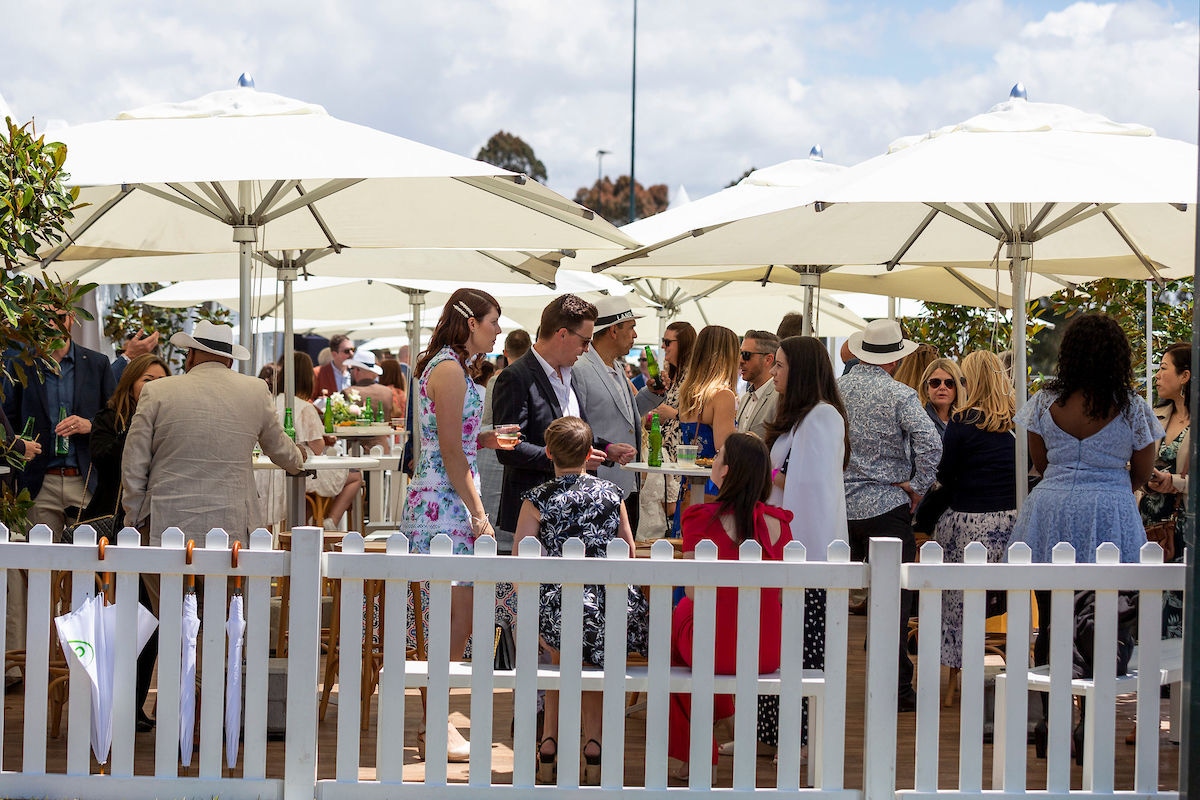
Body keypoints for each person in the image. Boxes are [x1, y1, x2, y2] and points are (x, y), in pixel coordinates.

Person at [1010, 313, 1161, 755]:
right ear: (1119, 356)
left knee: (1051, 617)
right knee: (1108, 621)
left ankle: (1051, 721)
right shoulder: (1133, 407)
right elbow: (1142, 473)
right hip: (1109, 513)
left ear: (1069, 353)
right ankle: (1090, 722)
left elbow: (1040, 462)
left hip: (1051, 511)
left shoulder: (1043, 402)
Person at [398, 288, 515, 762]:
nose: (499, 329)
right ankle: (435, 726)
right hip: (444, 505)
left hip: (445, 498)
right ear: (470, 322)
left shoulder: (449, 366)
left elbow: (451, 441)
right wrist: (479, 514)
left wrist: (483, 437)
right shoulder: (447, 369)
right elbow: (447, 451)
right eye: (493, 321)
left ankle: (436, 723)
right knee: (452, 620)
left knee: (455, 621)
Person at [514, 416, 648, 785]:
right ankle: (593, 744)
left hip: (556, 606)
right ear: (591, 453)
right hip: (606, 606)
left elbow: (522, 558)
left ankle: (549, 742)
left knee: (563, 658)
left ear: (549, 453)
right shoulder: (611, 494)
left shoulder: (537, 498)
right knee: (590, 664)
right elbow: (629, 551)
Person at [667, 432, 793, 776]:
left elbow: (693, 590)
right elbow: (780, 594)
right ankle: (722, 719)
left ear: (725, 471)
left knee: (677, 625)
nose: (715, 458)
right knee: (686, 622)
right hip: (766, 651)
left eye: (718, 454)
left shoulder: (699, 518)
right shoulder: (780, 525)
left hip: (714, 650)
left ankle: (694, 756)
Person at [122, 320, 309, 547]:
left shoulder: (157, 391)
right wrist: (298, 457)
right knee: (228, 582)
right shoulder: (256, 390)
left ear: (190, 355)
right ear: (229, 361)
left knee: (168, 582)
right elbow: (279, 448)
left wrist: (133, 517)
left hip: (165, 520)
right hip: (232, 522)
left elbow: (134, 460)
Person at [3, 308, 116, 680]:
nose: (51, 322)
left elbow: (114, 418)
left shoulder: (96, 364)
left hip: (86, 481)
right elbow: (9, 420)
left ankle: (85, 660)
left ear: (72, 319)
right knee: (39, 576)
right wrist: (18, 445)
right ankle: (29, 666)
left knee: (89, 574)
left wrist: (88, 424)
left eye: (58, 315)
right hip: (41, 482)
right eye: (43, 315)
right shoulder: (21, 365)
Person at [838, 318, 941, 713]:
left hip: (840, 505)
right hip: (887, 505)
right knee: (894, 602)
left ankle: (821, 674)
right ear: (895, 361)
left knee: (827, 594)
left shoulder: (836, 389)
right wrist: (918, 485)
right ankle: (896, 688)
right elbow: (931, 444)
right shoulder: (900, 395)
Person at [757, 335, 849, 754]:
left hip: (804, 552)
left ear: (801, 371)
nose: (773, 372)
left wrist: (757, 474)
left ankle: (797, 739)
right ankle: (772, 734)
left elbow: (812, 490)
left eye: (779, 365)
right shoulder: (800, 417)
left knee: (801, 650)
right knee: (777, 646)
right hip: (785, 550)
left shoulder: (822, 417)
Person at [492, 295, 636, 540]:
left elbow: (570, 434)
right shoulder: (515, 377)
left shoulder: (570, 373)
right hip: (535, 513)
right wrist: (570, 462)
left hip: (577, 509)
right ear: (562, 334)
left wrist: (606, 448)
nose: (587, 349)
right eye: (584, 341)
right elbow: (507, 449)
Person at [80, 352, 170, 732]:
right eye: (146, 379)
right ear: (132, 380)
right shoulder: (108, 418)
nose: (152, 386)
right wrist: (138, 427)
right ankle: (105, 704)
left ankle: (133, 705)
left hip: (149, 529)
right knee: (110, 621)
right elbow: (103, 456)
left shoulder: (168, 419)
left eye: (160, 381)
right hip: (110, 529)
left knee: (148, 620)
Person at [931, 350, 1017, 688]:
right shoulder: (1017, 422)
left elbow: (946, 476)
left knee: (958, 601)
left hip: (969, 523)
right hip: (1011, 525)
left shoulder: (962, 422)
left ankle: (959, 668)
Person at [572, 296, 664, 533]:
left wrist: (651, 394)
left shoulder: (615, 366)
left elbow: (626, 415)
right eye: (631, 327)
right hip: (599, 481)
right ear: (613, 330)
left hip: (626, 480)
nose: (635, 335)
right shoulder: (580, 367)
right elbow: (576, 423)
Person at [258, 352, 362, 531]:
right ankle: (331, 521)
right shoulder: (305, 407)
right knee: (355, 477)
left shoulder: (269, 402)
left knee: (308, 497)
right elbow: (317, 447)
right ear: (308, 378)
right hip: (298, 471)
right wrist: (326, 440)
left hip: (268, 473)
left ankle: (304, 526)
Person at [675, 325, 740, 501]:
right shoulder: (722, 395)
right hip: (713, 486)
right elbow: (724, 448)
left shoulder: (687, 393)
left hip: (689, 484)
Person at [646, 322, 696, 534]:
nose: (664, 346)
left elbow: (699, 415)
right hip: (662, 456)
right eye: (663, 342)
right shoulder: (668, 375)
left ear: (683, 345)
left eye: (668, 342)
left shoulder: (693, 376)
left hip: (681, 459)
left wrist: (673, 414)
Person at [735, 330, 780, 440]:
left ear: (768, 359)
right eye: (740, 354)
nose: (740, 361)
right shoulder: (746, 398)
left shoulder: (779, 397)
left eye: (746, 355)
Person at [917, 357, 967, 437]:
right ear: (926, 388)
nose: (942, 387)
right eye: (935, 383)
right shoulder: (917, 418)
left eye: (949, 383)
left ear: (958, 387)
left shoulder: (965, 421)